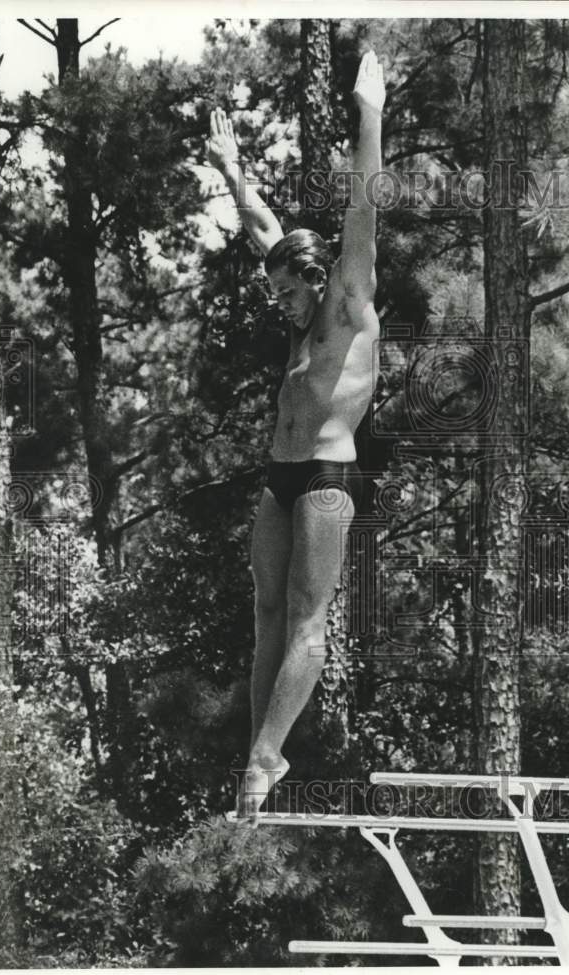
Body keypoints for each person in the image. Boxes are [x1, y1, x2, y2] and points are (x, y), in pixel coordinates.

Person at [207, 51, 386, 825]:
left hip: (326, 480)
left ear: (321, 280)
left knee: (308, 617)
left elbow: (361, 211)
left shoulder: (347, 301)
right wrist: (231, 170)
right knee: (267, 618)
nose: (278, 303)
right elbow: (263, 230)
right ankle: (261, 754)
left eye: (287, 291)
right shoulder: (298, 303)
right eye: (272, 291)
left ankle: (263, 757)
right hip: (280, 477)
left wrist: (369, 115)